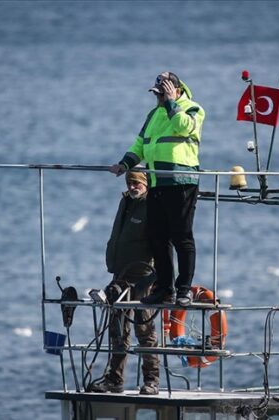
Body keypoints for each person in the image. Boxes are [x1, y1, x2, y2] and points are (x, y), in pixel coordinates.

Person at [109, 72, 205, 307]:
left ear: (176, 90)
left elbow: (184, 128)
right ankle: (164, 288)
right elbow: (141, 143)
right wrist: (125, 163)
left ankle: (184, 289)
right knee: (157, 238)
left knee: (182, 236)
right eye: (157, 94)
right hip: (157, 182)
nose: (159, 98)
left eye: (162, 93)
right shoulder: (154, 114)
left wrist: (172, 103)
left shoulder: (192, 108)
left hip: (181, 181)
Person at [88, 170, 160, 395]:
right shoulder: (126, 202)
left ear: (146, 183)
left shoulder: (153, 206)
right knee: (117, 330)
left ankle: (151, 381)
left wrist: (155, 278)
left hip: (143, 279)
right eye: (130, 182)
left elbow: (162, 246)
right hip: (120, 276)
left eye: (137, 182)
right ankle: (114, 380)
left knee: (145, 330)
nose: (132, 186)